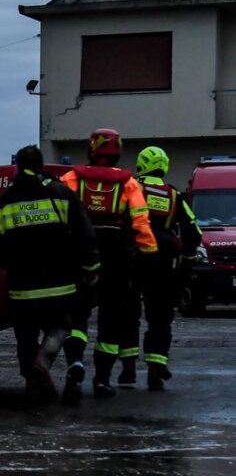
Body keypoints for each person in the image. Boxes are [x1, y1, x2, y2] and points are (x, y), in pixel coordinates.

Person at [0, 146, 99, 403]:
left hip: (21, 287)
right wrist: (91, 269)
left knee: (25, 336)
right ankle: (43, 362)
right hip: (60, 284)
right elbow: (84, 234)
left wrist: (15, 264)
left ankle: (32, 383)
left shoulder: (3, 202)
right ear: (42, 166)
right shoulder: (62, 194)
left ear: (17, 166)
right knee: (61, 326)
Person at [59, 128, 157, 403]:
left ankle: (75, 363)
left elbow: (61, 216)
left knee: (77, 315)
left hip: (80, 256)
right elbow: (140, 223)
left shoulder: (70, 178)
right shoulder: (130, 184)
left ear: (91, 149)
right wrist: (149, 255)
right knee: (111, 320)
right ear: (118, 153)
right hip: (117, 259)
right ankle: (102, 379)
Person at [129, 146, 202, 390]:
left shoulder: (132, 188)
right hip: (163, 266)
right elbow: (194, 231)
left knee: (127, 314)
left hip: (132, 261)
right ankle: (155, 369)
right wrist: (189, 259)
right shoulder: (174, 195)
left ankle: (126, 368)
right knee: (159, 318)